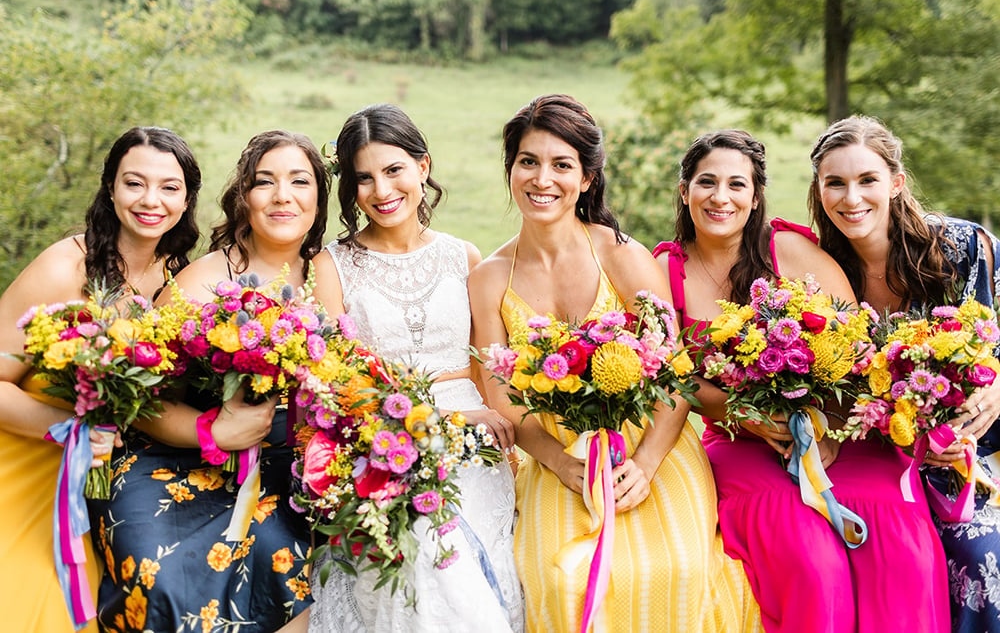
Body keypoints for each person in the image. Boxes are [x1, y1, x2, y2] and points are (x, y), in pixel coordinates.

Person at [468, 94, 760, 632]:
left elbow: (674, 372)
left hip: (650, 442)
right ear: (510, 169)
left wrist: (646, 465)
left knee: (676, 567)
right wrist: (557, 461)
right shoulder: (489, 278)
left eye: (561, 165)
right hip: (554, 451)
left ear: (586, 178)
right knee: (559, 580)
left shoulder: (622, 256)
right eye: (527, 162)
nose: (541, 179)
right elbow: (497, 390)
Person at [653, 128, 950, 632]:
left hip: (843, 433)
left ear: (755, 197)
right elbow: (670, 377)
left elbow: (856, 344)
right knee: (814, 565)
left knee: (903, 557)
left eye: (736, 185)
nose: (720, 197)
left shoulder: (788, 249)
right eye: (706, 182)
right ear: (685, 191)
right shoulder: (664, 269)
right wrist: (750, 417)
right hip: (742, 437)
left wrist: (826, 421)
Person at [87, 130, 326, 632]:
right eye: (265, 182)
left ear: (319, 196)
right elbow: (141, 403)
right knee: (163, 576)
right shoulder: (200, 282)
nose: (283, 195)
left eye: (299, 180)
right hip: (172, 459)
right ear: (244, 198)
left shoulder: (330, 272)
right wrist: (213, 432)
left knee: (285, 559)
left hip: (280, 470)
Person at [307, 103, 524, 633]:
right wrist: (443, 424)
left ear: (423, 167)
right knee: (427, 556)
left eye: (394, 170)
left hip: (479, 442)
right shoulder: (331, 265)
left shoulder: (464, 256)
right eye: (364, 178)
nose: (381, 191)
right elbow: (340, 385)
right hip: (385, 439)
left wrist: (506, 436)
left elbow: (485, 367)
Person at [0, 126, 201, 632]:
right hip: (27, 472)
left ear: (187, 198)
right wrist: (70, 425)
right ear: (110, 188)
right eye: (134, 183)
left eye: (169, 187)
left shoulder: (182, 282)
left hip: (111, 491)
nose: (150, 200)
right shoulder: (63, 268)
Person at [809, 114, 1000, 633]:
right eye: (836, 183)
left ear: (895, 182)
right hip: (868, 449)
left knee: (977, 555)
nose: (852, 198)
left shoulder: (963, 247)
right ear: (819, 191)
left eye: (867, 179)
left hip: (961, 453)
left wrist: (997, 385)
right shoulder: (819, 267)